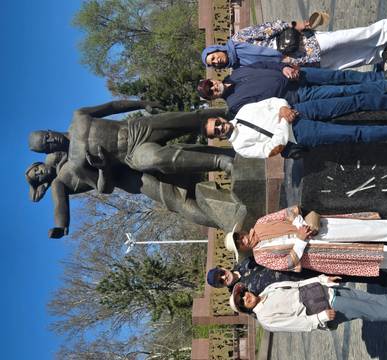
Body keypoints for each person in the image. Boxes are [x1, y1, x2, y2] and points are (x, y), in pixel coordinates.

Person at [25, 150, 223, 238]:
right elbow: (60, 207)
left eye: (37, 170)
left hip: (126, 153)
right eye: (38, 177)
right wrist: (60, 227)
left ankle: (225, 158)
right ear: (42, 183)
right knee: (178, 201)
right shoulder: (59, 184)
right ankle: (225, 220)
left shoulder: (59, 154)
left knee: (177, 155)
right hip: (127, 177)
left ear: (39, 164)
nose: (40, 173)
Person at [28, 101, 234, 180]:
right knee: (156, 160)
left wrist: (143, 104)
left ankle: (228, 111)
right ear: (48, 152)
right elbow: (103, 189)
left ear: (49, 130)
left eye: (46, 136)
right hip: (132, 155)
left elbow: (112, 107)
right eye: (46, 144)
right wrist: (103, 169)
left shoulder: (79, 116)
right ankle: (222, 162)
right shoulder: (75, 164)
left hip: (136, 128)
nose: (51, 140)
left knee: (184, 119)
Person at [204, 96, 387, 159]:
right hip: (299, 133)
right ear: (219, 137)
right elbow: (270, 150)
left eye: (217, 124)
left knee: (352, 102)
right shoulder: (241, 147)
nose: (220, 128)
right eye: (216, 131)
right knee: (355, 133)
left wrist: (283, 109)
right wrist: (284, 122)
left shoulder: (242, 112)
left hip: (300, 109)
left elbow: (272, 102)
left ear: (220, 119)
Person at [222, 206, 387, 277]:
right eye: (239, 243)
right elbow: (287, 263)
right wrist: (301, 241)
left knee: (355, 228)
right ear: (242, 249)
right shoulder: (261, 257)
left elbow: (285, 214)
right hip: (314, 254)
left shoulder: (260, 223)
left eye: (238, 236)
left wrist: (299, 224)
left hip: (312, 228)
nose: (242, 239)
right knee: (356, 256)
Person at [197, 62, 387, 116]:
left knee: (340, 76)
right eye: (211, 91)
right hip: (297, 95)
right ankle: (383, 88)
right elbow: (264, 108)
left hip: (298, 75)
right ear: (213, 98)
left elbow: (264, 65)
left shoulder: (236, 73)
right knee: (342, 92)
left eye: (211, 84)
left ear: (213, 79)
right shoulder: (234, 105)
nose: (214, 87)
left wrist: (284, 67)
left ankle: (379, 76)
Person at [229, 277, 387, 332]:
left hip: (323, 290)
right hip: (323, 307)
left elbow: (297, 284)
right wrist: (319, 318)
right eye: (241, 301)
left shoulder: (268, 289)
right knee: (366, 310)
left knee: (365, 298)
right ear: (244, 308)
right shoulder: (265, 319)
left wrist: (322, 279)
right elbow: (295, 324)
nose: (245, 297)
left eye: (243, 293)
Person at [202, 18, 387, 70]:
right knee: (340, 62)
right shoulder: (239, 68)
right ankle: (377, 55)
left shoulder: (238, 40)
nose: (216, 61)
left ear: (216, 49)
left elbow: (268, 28)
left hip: (300, 43)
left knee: (341, 38)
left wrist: (295, 25)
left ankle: (381, 31)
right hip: (295, 62)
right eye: (213, 63)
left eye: (214, 57)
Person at [206, 256, 318, 295]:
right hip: (298, 289)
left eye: (221, 273)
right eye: (221, 281)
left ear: (222, 268)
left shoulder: (243, 262)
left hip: (296, 269)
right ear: (221, 286)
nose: (224, 277)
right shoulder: (239, 294)